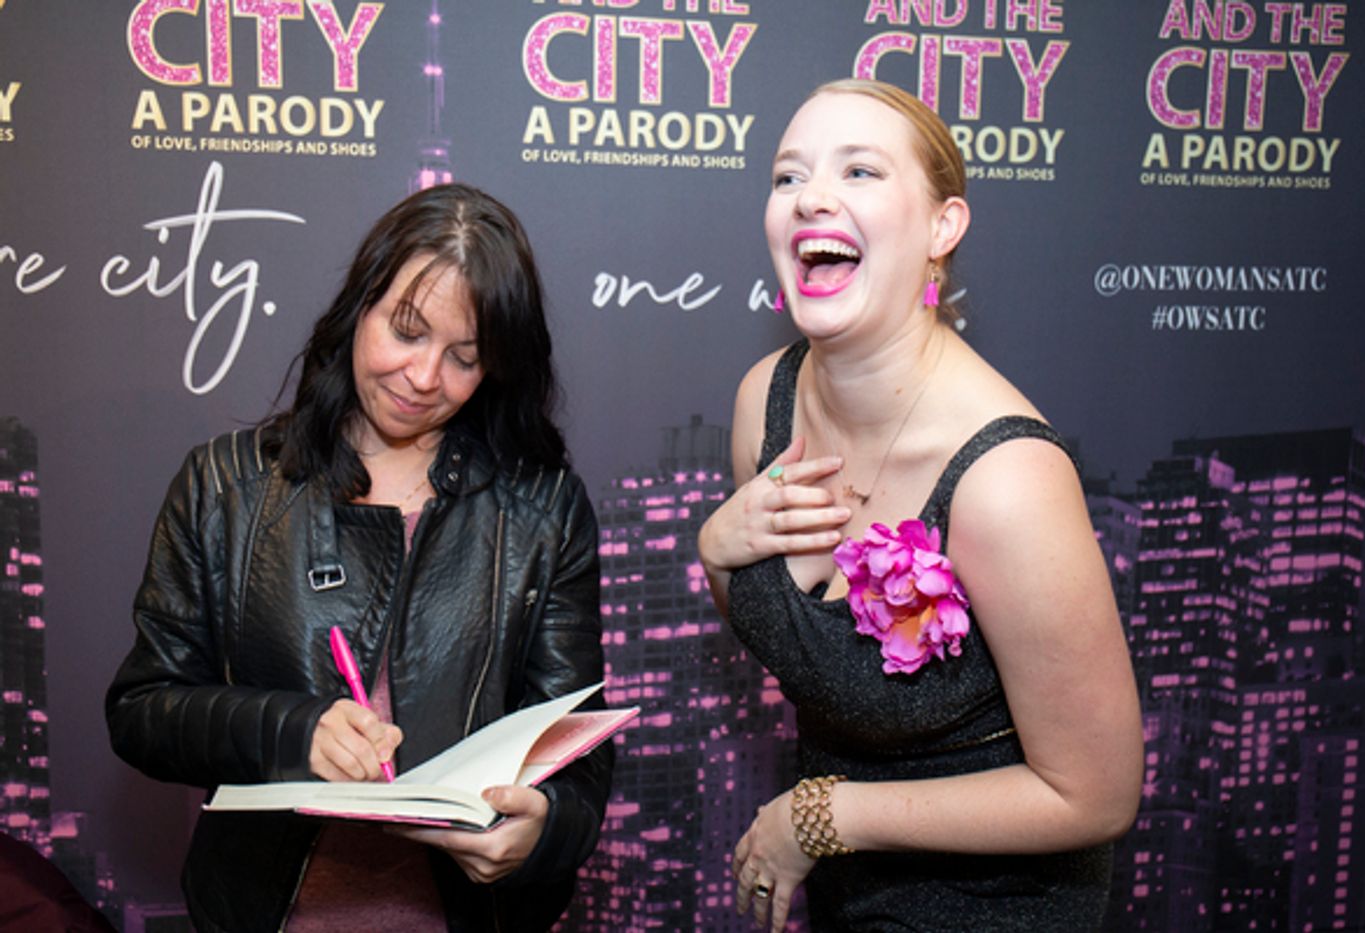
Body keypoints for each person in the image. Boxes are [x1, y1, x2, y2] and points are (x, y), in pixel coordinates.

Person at [697, 79, 1144, 932]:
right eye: (787, 177)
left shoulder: (1005, 475)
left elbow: (1095, 793)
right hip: (842, 882)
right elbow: (793, 633)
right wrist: (718, 550)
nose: (811, 198)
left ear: (943, 227)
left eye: (859, 171)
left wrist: (824, 816)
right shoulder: (767, 401)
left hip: (993, 903)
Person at [106, 183, 611, 932]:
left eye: (464, 357)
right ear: (358, 310)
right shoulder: (226, 486)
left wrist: (544, 831)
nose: (424, 378)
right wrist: (294, 731)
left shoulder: (543, 511)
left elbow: (578, 755)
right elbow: (142, 710)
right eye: (406, 332)